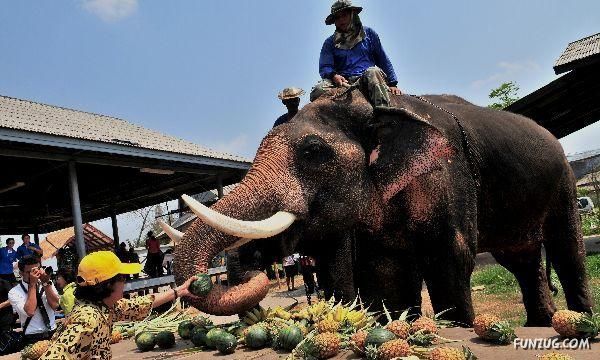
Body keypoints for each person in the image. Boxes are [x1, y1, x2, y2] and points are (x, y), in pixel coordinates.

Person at [39, 251, 198, 359]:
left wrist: (179, 291)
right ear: (108, 285)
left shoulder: (106, 306)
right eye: (122, 278)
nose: (126, 282)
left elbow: (140, 304)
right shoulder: (87, 319)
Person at [310, 0, 401, 112]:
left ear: (352, 15)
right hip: (344, 83)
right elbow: (325, 66)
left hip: (366, 79)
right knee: (317, 90)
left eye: (344, 15)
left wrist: (393, 83)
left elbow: (382, 59)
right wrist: (334, 76)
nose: (341, 20)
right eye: (337, 18)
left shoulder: (369, 34)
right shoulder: (329, 42)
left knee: (373, 71)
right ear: (334, 21)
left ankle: (384, 114)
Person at [8, 256, 59, 346]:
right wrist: (32, 285)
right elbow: (30, 311)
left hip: (53, 333)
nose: (35, 274)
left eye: (37, 269)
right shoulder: (14, 292)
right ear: (21, 273)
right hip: (33, 337)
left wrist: (46, 283)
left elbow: (55, 305)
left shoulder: (47, 282)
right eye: (29, 272)